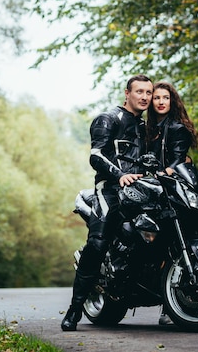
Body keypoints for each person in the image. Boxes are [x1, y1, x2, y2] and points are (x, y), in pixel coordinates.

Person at [61, 74, 154, 331]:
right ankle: (74, 310)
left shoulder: (147, 127)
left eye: (149, 92)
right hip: (110, 189)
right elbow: (96, 155)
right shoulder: (108, 118)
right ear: (127, 93)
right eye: (139, 92)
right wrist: (120, 175)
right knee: (98, 242)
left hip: (142, 191)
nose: (145, 97)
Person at [146, 81, 198, 325]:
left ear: (172, 100)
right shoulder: (146, 129)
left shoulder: (177, 128)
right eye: (156, 98)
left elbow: (178, 160)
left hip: (172, 189)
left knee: (174, 244)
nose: (160, 102)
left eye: (165, 97)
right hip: (151, 188)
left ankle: (170, 307)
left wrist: (165, 172)